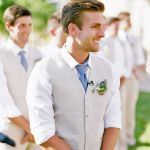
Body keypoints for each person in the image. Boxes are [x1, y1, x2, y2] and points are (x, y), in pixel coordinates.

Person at [26, 0, 121, 150]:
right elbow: (42, 132)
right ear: (73, 29)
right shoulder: (44, 70)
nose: (102, 33)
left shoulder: (108, 69)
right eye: (95, 27)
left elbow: (113, 121)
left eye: (103, 26)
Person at [0, 4, 42, 150]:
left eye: (29, 25)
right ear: (9, 26)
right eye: (22, 25)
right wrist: (29, 128)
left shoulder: (38, 54)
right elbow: (4, 101)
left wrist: (37, 128)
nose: (27, 30)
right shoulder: (1, 55)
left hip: (37, 130)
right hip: (11, 130)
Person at [118, 11, 146, 149]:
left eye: (130, 20)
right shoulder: (115, 39)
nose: (129, 23)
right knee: (120, 110)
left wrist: (138, 67)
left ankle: (130, 136)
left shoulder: (134, 38)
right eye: (126, 20)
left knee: (130, 108)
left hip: (132, 79)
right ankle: (120, 141)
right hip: (120, 79)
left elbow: (140, 58)